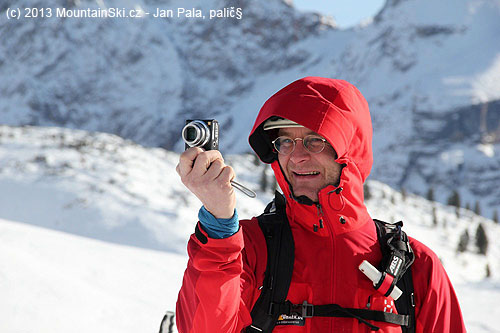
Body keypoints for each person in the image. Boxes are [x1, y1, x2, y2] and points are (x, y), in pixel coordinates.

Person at [175, 77, 465, 332]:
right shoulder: (247, 248)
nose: (296, 156)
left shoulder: (417, 268)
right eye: (285, 142)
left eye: (315, 140)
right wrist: (219, 226)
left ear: (349, 151)